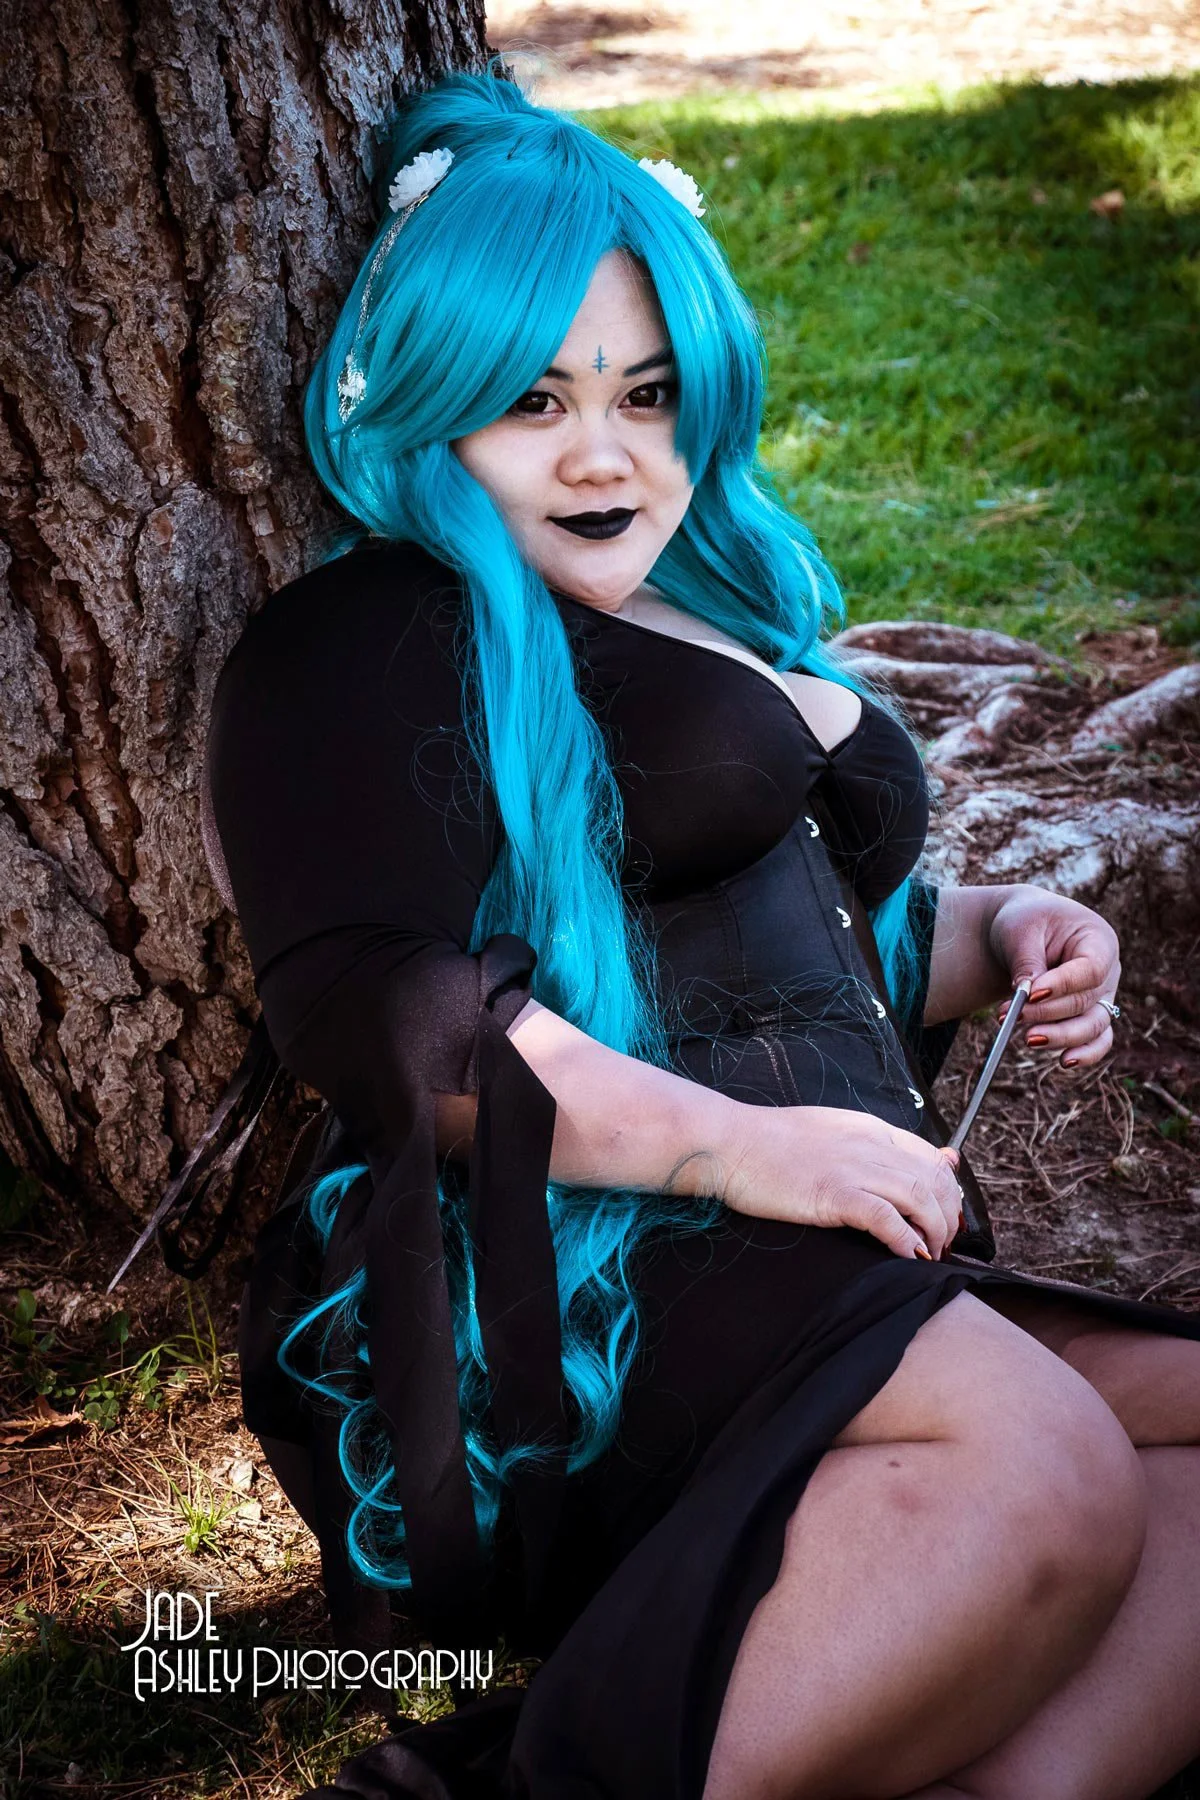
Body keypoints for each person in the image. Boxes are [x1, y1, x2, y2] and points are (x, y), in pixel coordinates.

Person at [204, 61, 1200, 1800]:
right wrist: (744, 1154)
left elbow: (803, 944)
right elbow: (391, 1018)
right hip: (588, 1275)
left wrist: (998, 929)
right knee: (1047, 1467)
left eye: (649, 397)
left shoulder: (709, 601)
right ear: (417, 402)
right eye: (532, 401)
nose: (606, 454)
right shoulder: (353, 642)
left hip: (807, 1224)